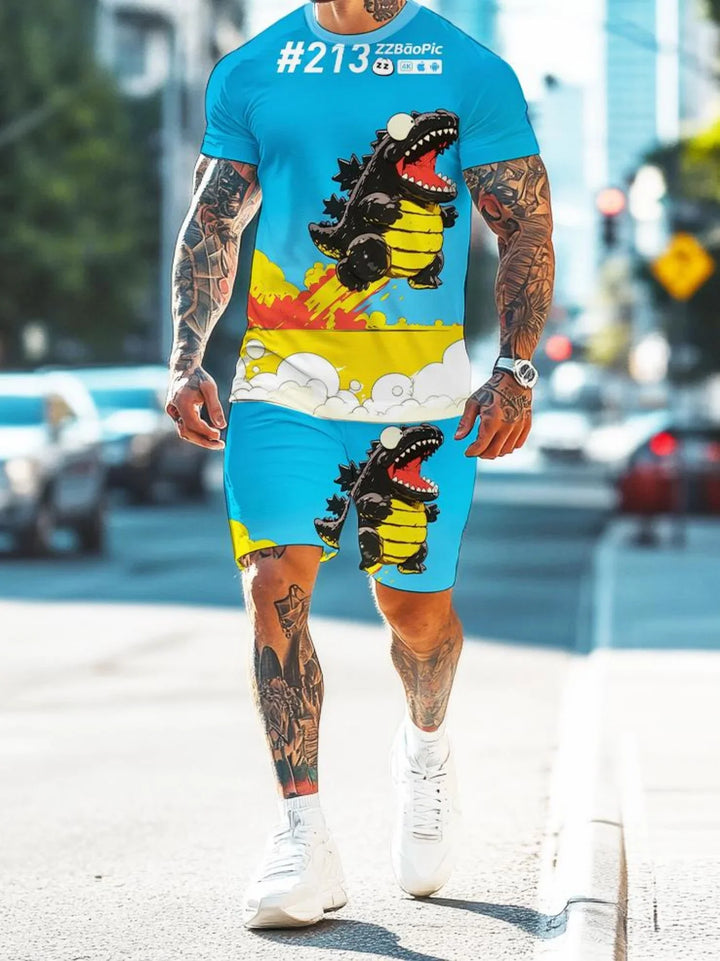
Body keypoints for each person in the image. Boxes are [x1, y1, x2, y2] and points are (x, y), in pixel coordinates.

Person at [166, 0, 554, 930]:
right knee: (273, 587)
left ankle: (425, 750)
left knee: (416, 617)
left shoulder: (467, 68)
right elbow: (216, 219)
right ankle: (302, 832)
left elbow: (526, 225)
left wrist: (513, 368)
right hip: (281, 384)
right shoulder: (254, 67)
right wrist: (187, 358)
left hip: (418, 396)